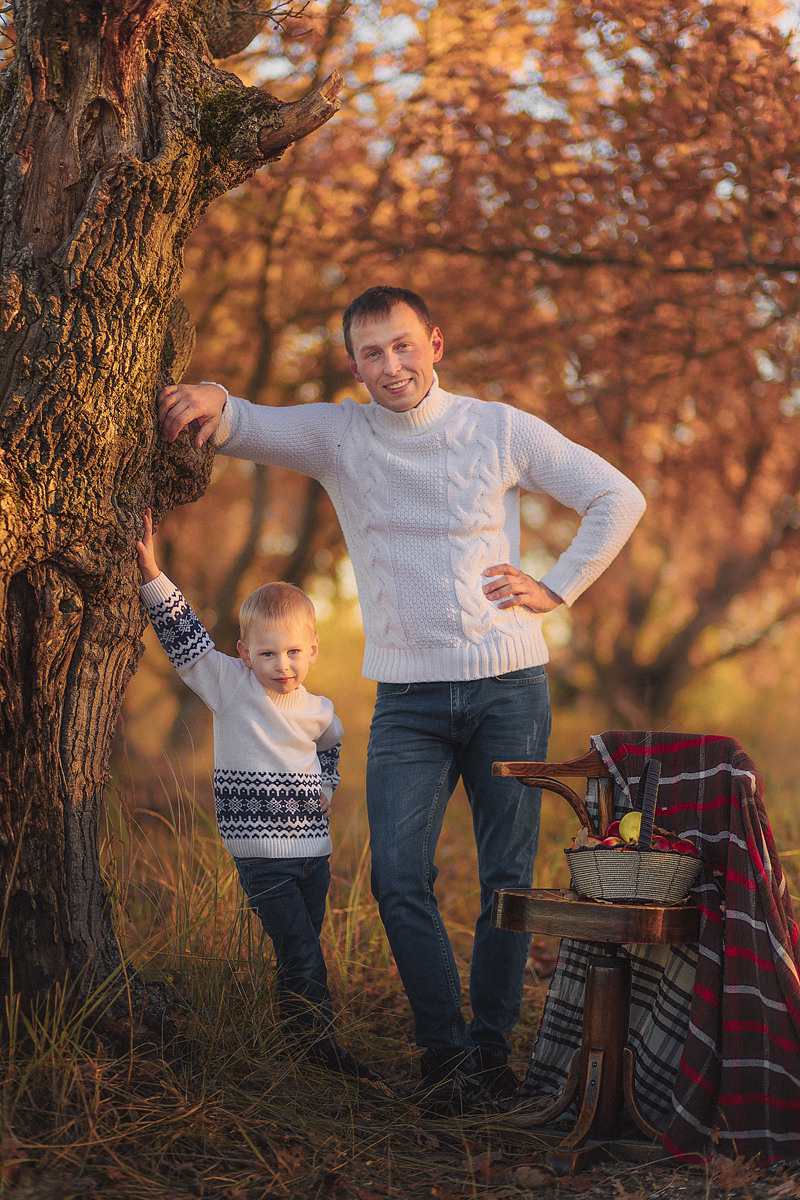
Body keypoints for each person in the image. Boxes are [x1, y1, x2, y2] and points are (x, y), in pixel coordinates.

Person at [156, 285, 646, 1113]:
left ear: (436, 344)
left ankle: (491, 1056)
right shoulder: (343, 436)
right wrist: (212, 399)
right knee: (398, 877)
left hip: (509, 688)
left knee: (504, 878)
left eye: (404, 345)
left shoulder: (498, 428)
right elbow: (249, 422)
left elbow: (616, 497)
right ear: (355, 364)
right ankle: (444, 1056)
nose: (392, 365)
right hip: (408, 700)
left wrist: (556, 587)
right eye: (373, 352)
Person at [135, 510, 379, 1082]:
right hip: (260, 858)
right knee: (302, 953)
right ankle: (321, 1052)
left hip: (312, 856)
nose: (282, 665)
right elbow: (186, 638)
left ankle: (293, 1040)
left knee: (301, 953)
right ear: (245, 654)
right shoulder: (232, 688)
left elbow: (332, 748)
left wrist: (326, 786)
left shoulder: (320, 711)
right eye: (268, 654)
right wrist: (151, 574)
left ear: (312, 651)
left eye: (293, 652)